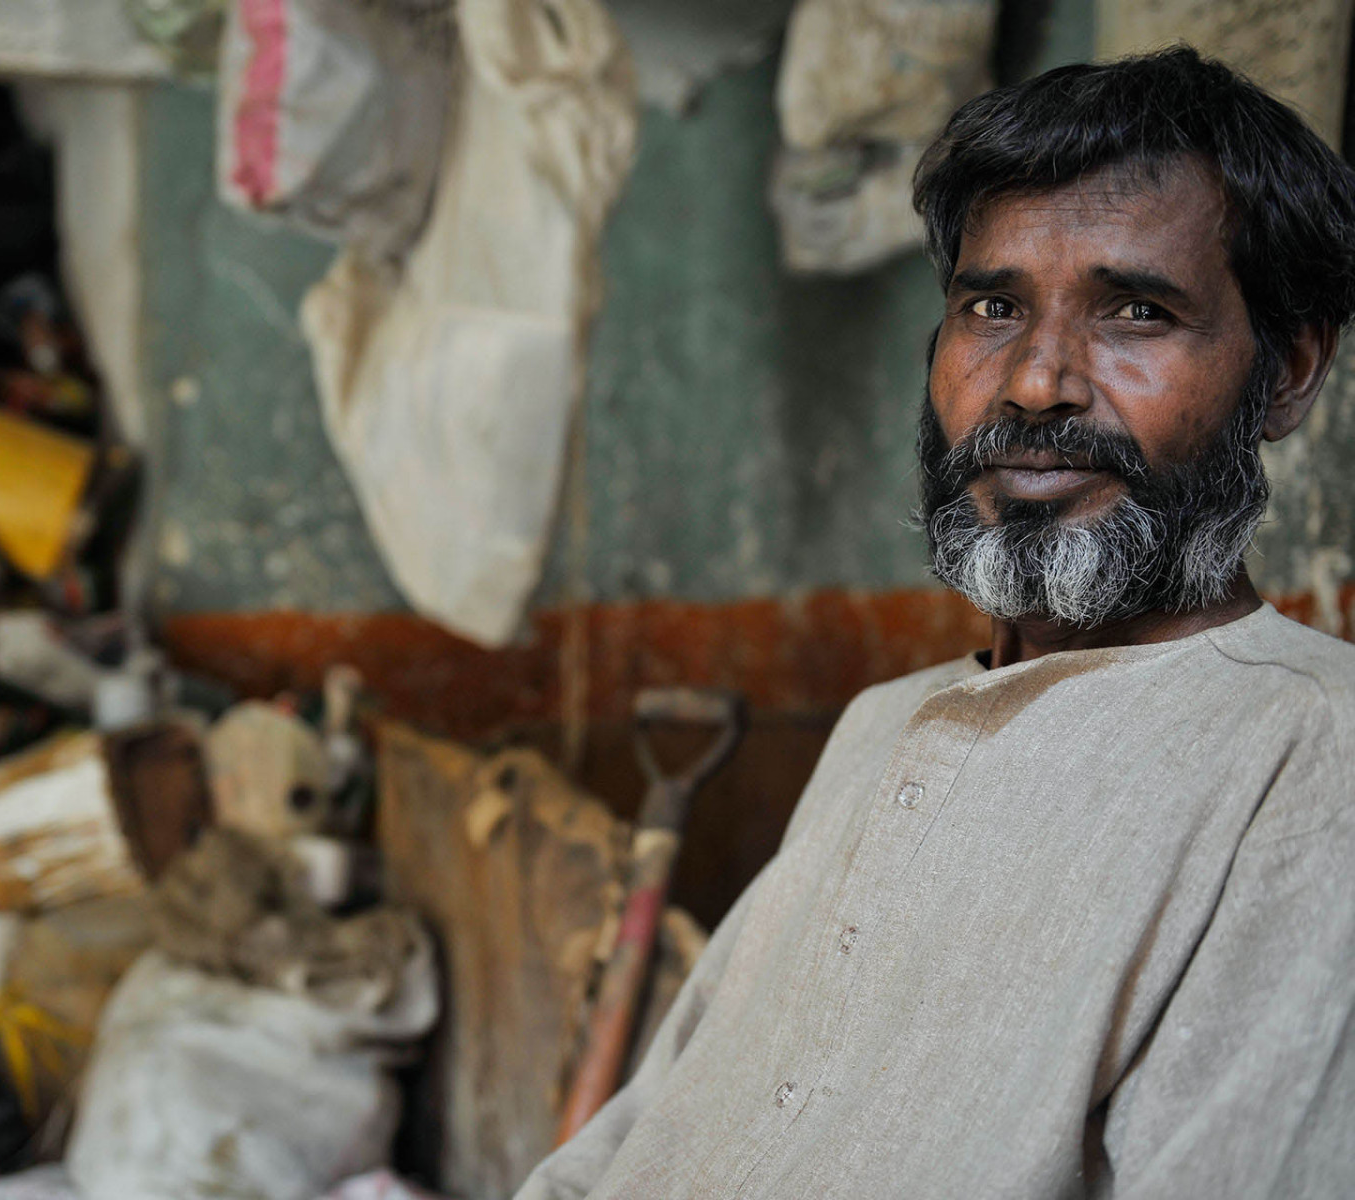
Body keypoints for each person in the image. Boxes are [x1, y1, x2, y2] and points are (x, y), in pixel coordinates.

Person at [515, 47, 1355, 1200]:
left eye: (1137, 312)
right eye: (993, 307)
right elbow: (649, 1129)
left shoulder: (1312, 758)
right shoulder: (882, 725)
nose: (1037, 383)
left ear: (1289, 372)